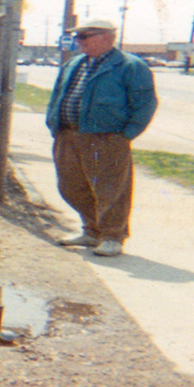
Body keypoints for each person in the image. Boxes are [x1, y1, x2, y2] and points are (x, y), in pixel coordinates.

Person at [45, 19, 157, 257]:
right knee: (71, 186)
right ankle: (92, 231)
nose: (79, 41)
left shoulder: (130, 66)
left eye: (85, 36)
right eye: (78, 37)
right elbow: (57, 94)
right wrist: (54, 124)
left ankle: (112, 237)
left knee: (110, 189)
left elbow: (146, 104)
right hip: (68, 134)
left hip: (106, 138)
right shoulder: (74, 63)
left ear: (107, 37)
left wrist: (126, 135)